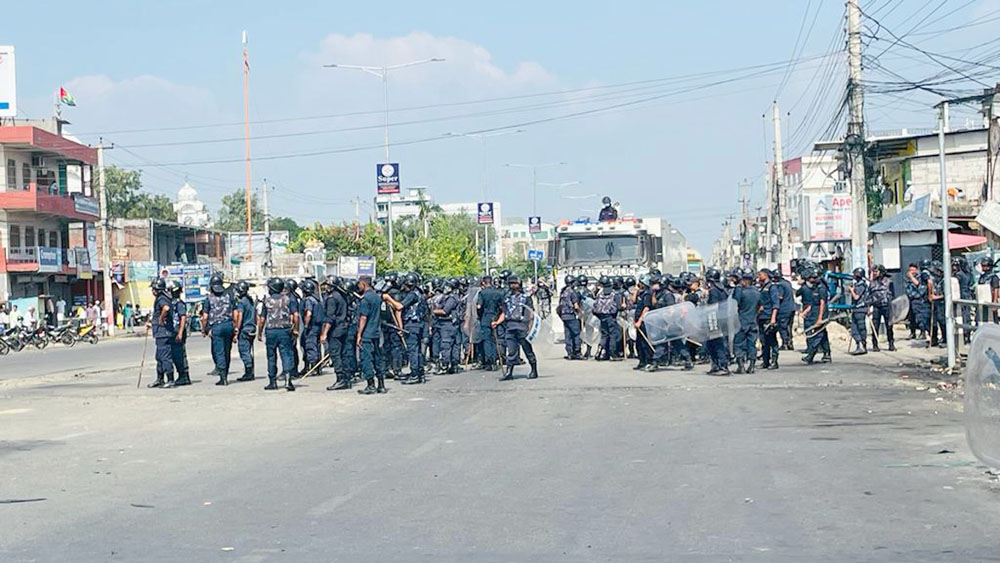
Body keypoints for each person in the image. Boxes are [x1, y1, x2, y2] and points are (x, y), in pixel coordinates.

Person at [492, 274, 538, 381]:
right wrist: (497, 322)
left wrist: (530, 328)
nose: (513, 286)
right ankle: (509, 372)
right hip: (510, 327)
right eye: (511, 284)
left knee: (527, 350)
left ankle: (534, 369)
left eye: (515, 283)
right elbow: (504, 312)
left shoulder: (526, 297)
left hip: (522, 326)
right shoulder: (507, 298)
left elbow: (530, 313)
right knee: (511, 351)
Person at [256, 277, 297, 391]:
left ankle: (272, 382)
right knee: (286, 355)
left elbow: (262, 319)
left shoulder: (267, 301)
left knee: (271, 356)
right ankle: (288, 380)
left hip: (271, 331)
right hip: (285, 330)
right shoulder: (288, 299)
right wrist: (295, 329)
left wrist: (259, 332)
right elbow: (296, 315)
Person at [201, 273, 235, 386]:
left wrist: (204, 329)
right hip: (229, 325)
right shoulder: (229, 296)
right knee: (227, 351)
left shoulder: (208, 299)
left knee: (219, 352)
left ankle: (223, 377)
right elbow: (235, 312)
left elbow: (205, 317)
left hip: (216, 327)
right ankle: (226, 372)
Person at [356, 276, 388, 395]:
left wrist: (359, 334)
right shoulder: (377, 297)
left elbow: (363, 317)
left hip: (367, 334)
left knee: (367, 359)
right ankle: (381, 385)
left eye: (359, 284)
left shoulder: (365, 299)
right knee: (378, 358)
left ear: (363, 284)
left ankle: (370, 385)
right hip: (377, 332)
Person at [398, 273, 428, 384]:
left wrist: (389, 299)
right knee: (418, 350)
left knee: (413, 350)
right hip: (419, 324)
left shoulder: (412, 295)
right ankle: (420, 372)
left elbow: (400, 306)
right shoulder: (420, 293)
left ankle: (415, 374)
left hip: (412, 324)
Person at [322, 277, 351, 390]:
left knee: (335, 354)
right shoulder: (343, 296)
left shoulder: (332, 299)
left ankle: (340, 379)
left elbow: (330, 318)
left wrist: (324, 333)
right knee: (344, 354)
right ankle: (346, 378)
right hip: (344, 327)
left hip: (336, 330)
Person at [147, 278, 175, 388]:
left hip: (164, 333)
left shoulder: (162, 298)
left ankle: (170, 380)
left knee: (165, 357)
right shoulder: (162, 298)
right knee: (159, 357)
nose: (152, 291)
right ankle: (160, 379)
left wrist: (161, 318)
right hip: (160, 333)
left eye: (153, 289)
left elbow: (166, 308)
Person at [732, 269, 761, 374]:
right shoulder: (757, 292)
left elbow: (735, 303)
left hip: (741, 321)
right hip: (753, 322)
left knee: (739, 343)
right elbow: (760, 307)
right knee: (751, 344)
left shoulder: (741, 291)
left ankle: (741, 366)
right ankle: (752, 366)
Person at [704, 268, 731, 375]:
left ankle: (723, 366)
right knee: (712, 344)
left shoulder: (714, 291)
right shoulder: (723, 290)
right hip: (722, 319)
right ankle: (715, 366)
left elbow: (713, 307)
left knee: (717, 344)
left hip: (715, 320)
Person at [432, 278, 462, 374]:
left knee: (446, 345)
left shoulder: (452, 298)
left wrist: (434, 311)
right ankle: (454, 365)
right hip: (452, 325)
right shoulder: (454, 297)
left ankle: (445, 366)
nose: (445, 288)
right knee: (454, 345)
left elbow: (445, 311)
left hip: (447, 324)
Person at [476, 275, 504, 371]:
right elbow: (502, 307)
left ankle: (489, 361)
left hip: (485, 318)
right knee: (496, 340)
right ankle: (496, 359)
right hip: (496, 317)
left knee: (487, 340)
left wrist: (479, 315)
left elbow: (479, 306)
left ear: (484, 283)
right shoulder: (498, 293)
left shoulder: (482, 293)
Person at [800, 268, 828, 365]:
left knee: (817, 335)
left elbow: (822, 303)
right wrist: (805, 312)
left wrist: (820, 318)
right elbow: (812, 303)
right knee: (822, 335)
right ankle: (827, 354)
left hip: (820, 314)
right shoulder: (815, 288)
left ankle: (811, 355)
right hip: (814, 313)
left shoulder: (821, 288)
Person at [299, 278, 325, 376]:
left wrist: (306, 326)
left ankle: (313, 367)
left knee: (310, 345)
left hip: (312, 326)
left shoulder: (309, 300)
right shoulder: (317, 299)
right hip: (318, 326)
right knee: (316, 346)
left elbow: (308, 313)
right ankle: (317, 367)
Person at [167, 279, 191, 387]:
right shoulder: (171, 303)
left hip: (178, 332)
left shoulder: (179, 304)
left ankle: (184, 376)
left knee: (180, 355)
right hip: (172, 332)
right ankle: (182, 376)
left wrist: (180, 332)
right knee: (175, 356)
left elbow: (183, 317)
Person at [594, 275, 623, 361]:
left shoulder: (600, 294)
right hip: (611, 316)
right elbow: (618, 306)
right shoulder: (614, 293)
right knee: (613, 335)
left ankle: (601, 351)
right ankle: (612, 354)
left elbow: (595, 306)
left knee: (604, 335)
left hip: (601, 316)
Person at [233, 281, 257, 381]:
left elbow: (240, 316)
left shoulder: (242, 302)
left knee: (244, 352)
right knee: (249, 351)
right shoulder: (250, 300)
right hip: (252, 328)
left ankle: (249, 373)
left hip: (245, 329)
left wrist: (236, 329)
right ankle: (250, 372)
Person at [869, 265, 896, 352]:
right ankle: (875, 345)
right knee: (875, 326)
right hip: (876, 307)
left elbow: (893, 294)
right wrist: (868, 307)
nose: (874, 273)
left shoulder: (889, 281)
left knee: (889, 326)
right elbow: (869, 295)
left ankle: (891, 343)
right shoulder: (872, 283)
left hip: (886, 306)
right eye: (873, 272)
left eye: (876, 271)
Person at [757, 269, 780, 370]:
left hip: (769, 317)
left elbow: (775, 304)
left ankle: (774, 362)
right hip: (761, 317)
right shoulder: (762, 287)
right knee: (764, 341)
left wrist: (773, 318)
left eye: (760, 274)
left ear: (766, 275)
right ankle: (765, 361)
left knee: (772, 340)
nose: (758, 276)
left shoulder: (772, 287)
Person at [557, 275, 582, 360]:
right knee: (576, 334)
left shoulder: (563, 291)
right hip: (571, 315)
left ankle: (569, 353)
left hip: (564, 316)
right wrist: (581, 312)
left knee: (568, 335)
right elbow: (576, 306)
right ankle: (577, 352)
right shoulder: (572, 292)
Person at [848, 267, 871, 355]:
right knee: (855, 329)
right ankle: (860, 345)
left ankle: (862, 346)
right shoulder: (859, 284)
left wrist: (851, 290)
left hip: (860, 309)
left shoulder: (861, 285)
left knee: (859, 328)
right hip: (856, 309)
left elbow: (856, 297)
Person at [285, 278, 302, 377]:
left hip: (291, 327)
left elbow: (295, 315)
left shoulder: (291, 298)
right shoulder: (292, 297)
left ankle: (292, 370)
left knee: (290, 349)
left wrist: (295, 328)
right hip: (291, 327)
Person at [928, 261, 947, 348]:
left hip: (942, 303)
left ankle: (945, 339)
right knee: (933, 321)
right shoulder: (934, 280)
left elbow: (946, 294)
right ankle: (934, 339)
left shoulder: (944, 281)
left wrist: (936, 297)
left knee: (942, 321)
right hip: (935, 303)